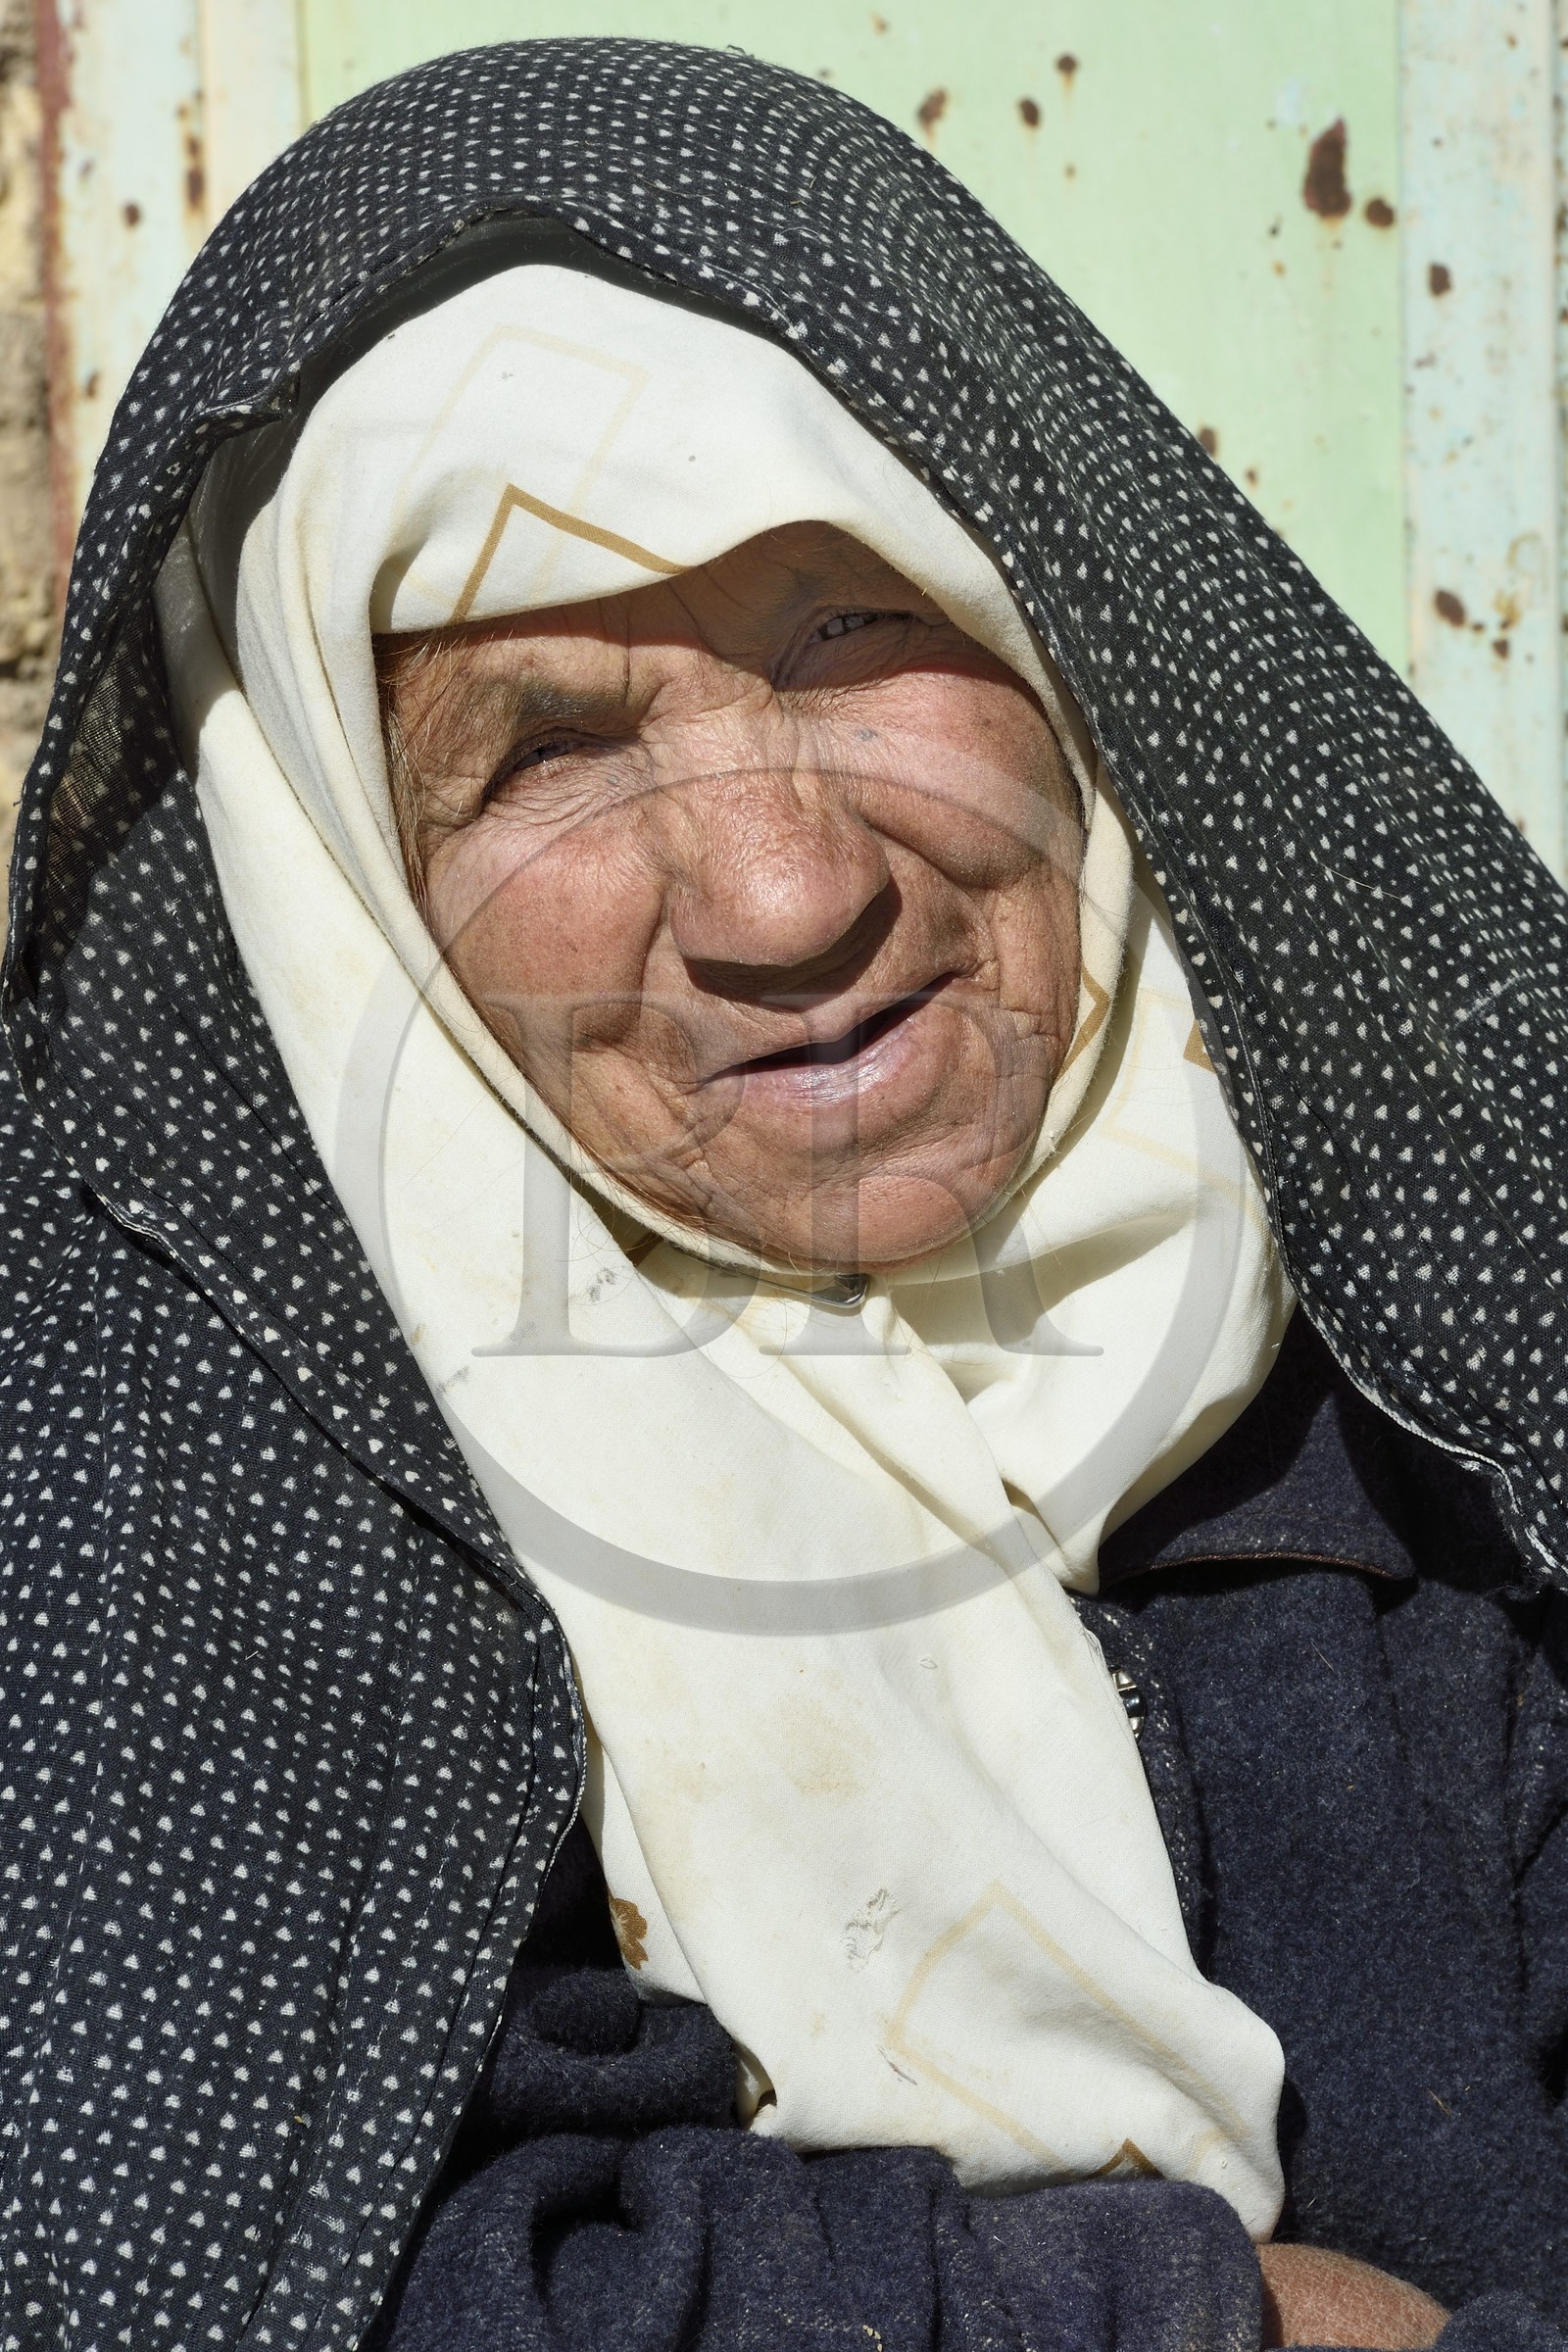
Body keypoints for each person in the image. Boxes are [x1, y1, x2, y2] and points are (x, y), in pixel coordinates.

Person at [3, 38, 1567, 2352]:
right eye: (542, 753)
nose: (782, 894)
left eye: (853, 634)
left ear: (1060, 636)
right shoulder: (181, 1554)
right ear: (345, 881)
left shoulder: (1457, 1341)